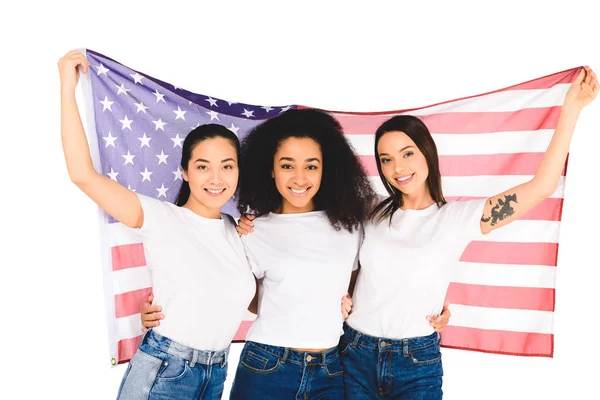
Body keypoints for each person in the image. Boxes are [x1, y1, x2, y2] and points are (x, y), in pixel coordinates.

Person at [141, 108, 451, 398]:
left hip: (331, 369)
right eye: (287, 165)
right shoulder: (252, 229)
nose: (299, 178)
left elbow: (386, 267)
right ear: (271, 170)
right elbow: (225, 287)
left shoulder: (353, 222)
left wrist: (428, 305)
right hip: (266, 365)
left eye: (311, 166)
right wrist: (166, 309)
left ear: (325, 170)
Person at [338, 66, 599, 399]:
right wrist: (340, 295)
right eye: (386, 159)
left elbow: (542, 187)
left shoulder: (457, 218)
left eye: (407, 154)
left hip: (416, 362)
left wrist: (572, 109)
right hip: (354, 353)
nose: (398, 168)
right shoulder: (369, 209)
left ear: (426, 154)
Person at [59, 50, 256, 399]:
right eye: (203, 166)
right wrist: (66, 84)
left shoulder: (238, 230)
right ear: (185, 171)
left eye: (227, 166)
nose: (216, 178)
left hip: (217, 371)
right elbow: (82, 175)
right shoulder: (161, 217)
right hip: (166, 370)